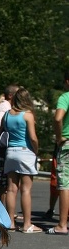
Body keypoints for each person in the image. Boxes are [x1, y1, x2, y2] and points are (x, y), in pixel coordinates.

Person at [2, 87, 42, 233]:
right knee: (26, 189)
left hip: (10, 152)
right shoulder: (28, 115)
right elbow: (32, 137)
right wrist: (36, 150)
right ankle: (27, 224)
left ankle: (10, 222)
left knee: (11, 189)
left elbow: (3, 132)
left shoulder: (6, 115)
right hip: (25, 152)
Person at [46, 72, 69, 235]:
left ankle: (62, 224)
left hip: (67, 143)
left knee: (65, 184)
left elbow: (58, 117)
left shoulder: (65, 97)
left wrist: (59, 136)